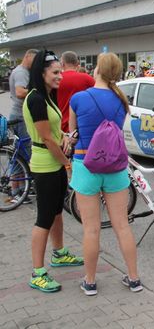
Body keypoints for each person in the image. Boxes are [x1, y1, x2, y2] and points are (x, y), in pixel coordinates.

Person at [69, 52, 142, 296]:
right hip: (115, 166)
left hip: (86, 165)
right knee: (122, 225)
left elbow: (73, 132)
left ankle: (90, 282)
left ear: (97, 70)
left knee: (91, 229)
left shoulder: (79, 98)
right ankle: (134, 278)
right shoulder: (121, 100)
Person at [23, 50, 84, 293]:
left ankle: (59, 253)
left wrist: (65, 137)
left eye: (61, 71)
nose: (61, 76)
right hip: (45, 164)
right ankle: (37, 273)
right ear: (42, 73)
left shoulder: (48, 96)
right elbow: (47, 139)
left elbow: (54, 132)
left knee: (57, 211)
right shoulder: (36, 99)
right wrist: (67, 164)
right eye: (56, 72)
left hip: (54, 161)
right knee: (44, 218)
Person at [8, 49, 38, 203]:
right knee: (21, 153)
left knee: (20, 152)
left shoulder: (23, 71)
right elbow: (20, 92)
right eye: (35, 60)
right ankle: (16, 192)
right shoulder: (21, 72)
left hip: (19, 115)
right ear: (27, 56)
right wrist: (37, 91)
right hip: (20, 117)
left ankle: (21, 188)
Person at [57, 51, 95, 133]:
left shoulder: (56, 79)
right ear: (77, 63)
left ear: (62, 64)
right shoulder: (87, 79)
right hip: (82, 127)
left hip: (60, 127)